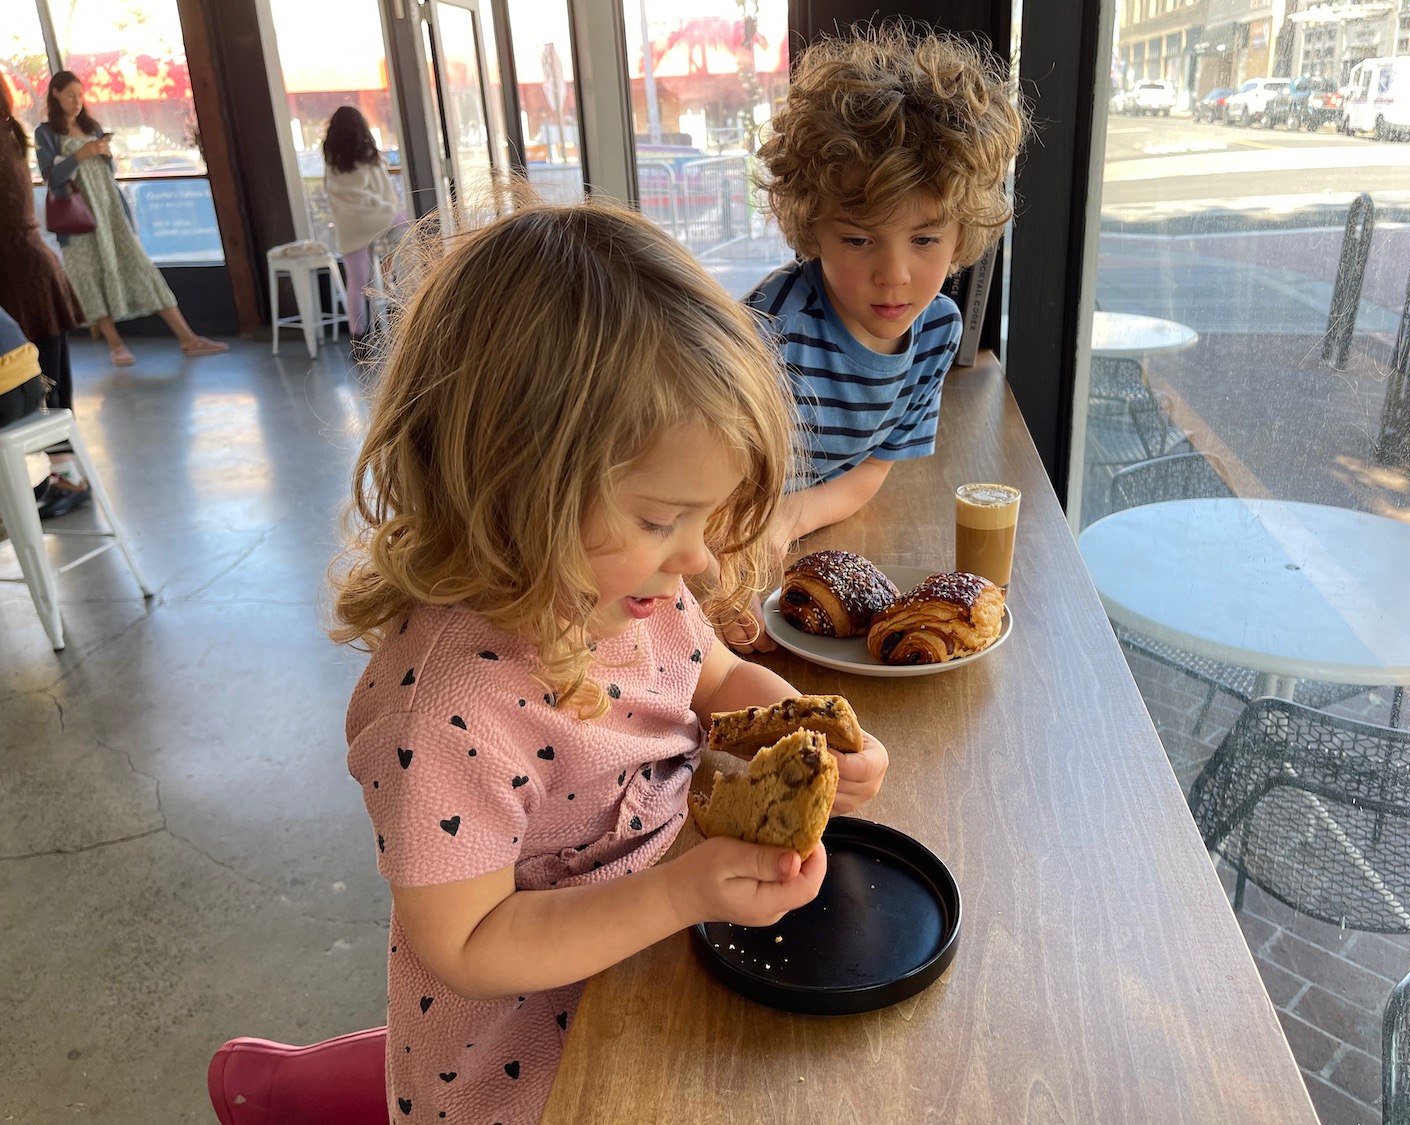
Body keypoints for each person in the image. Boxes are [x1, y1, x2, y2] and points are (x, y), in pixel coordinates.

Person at [329, 198, 889, 1125]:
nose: (698, 561)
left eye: (705, 519)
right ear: (513, 486)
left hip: (663, 964)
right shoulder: (445, 712)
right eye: (664, 519)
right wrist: (678, 893)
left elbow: (714, 683)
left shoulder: (626, 584)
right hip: (531, 1071)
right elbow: (467, 944)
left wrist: (804, 726)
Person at [730, 25, 1025, 651]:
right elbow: (697, 479)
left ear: (962, 232)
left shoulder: (939, 331)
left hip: (795, 540)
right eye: (859, 239)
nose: (894, 276)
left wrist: (792, 517)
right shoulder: (768, 332)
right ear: (812, 225)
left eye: (924, 240)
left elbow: (872, 469)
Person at [35, 71, 227, 368]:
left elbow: (108, 172)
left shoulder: (91, 126)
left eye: (80, 94)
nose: (77, 102)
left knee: (141, 267)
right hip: (77, 219)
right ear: (56, 94)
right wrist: (81, 154)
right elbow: (52, 177)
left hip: (110, 210)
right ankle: (116, 345)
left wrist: (104, 152)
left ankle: (187, 337)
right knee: (89, 278)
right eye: (70, 95)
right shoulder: (45, 133)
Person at [0, 81, 91, 517]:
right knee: (49, 387)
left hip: (22, 277)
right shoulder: (9, 134)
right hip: (28, 272)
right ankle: (64, 477)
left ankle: (70, 480)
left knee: (46, 392)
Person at [322, 106, 404, 338]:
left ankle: (358, 339)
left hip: (348, 224)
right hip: (373, 215)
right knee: (407, 223)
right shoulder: (366, 153)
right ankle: (398, 282)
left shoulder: (331, 157)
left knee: (356, 283)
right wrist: (389, 206)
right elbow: (383, 189)